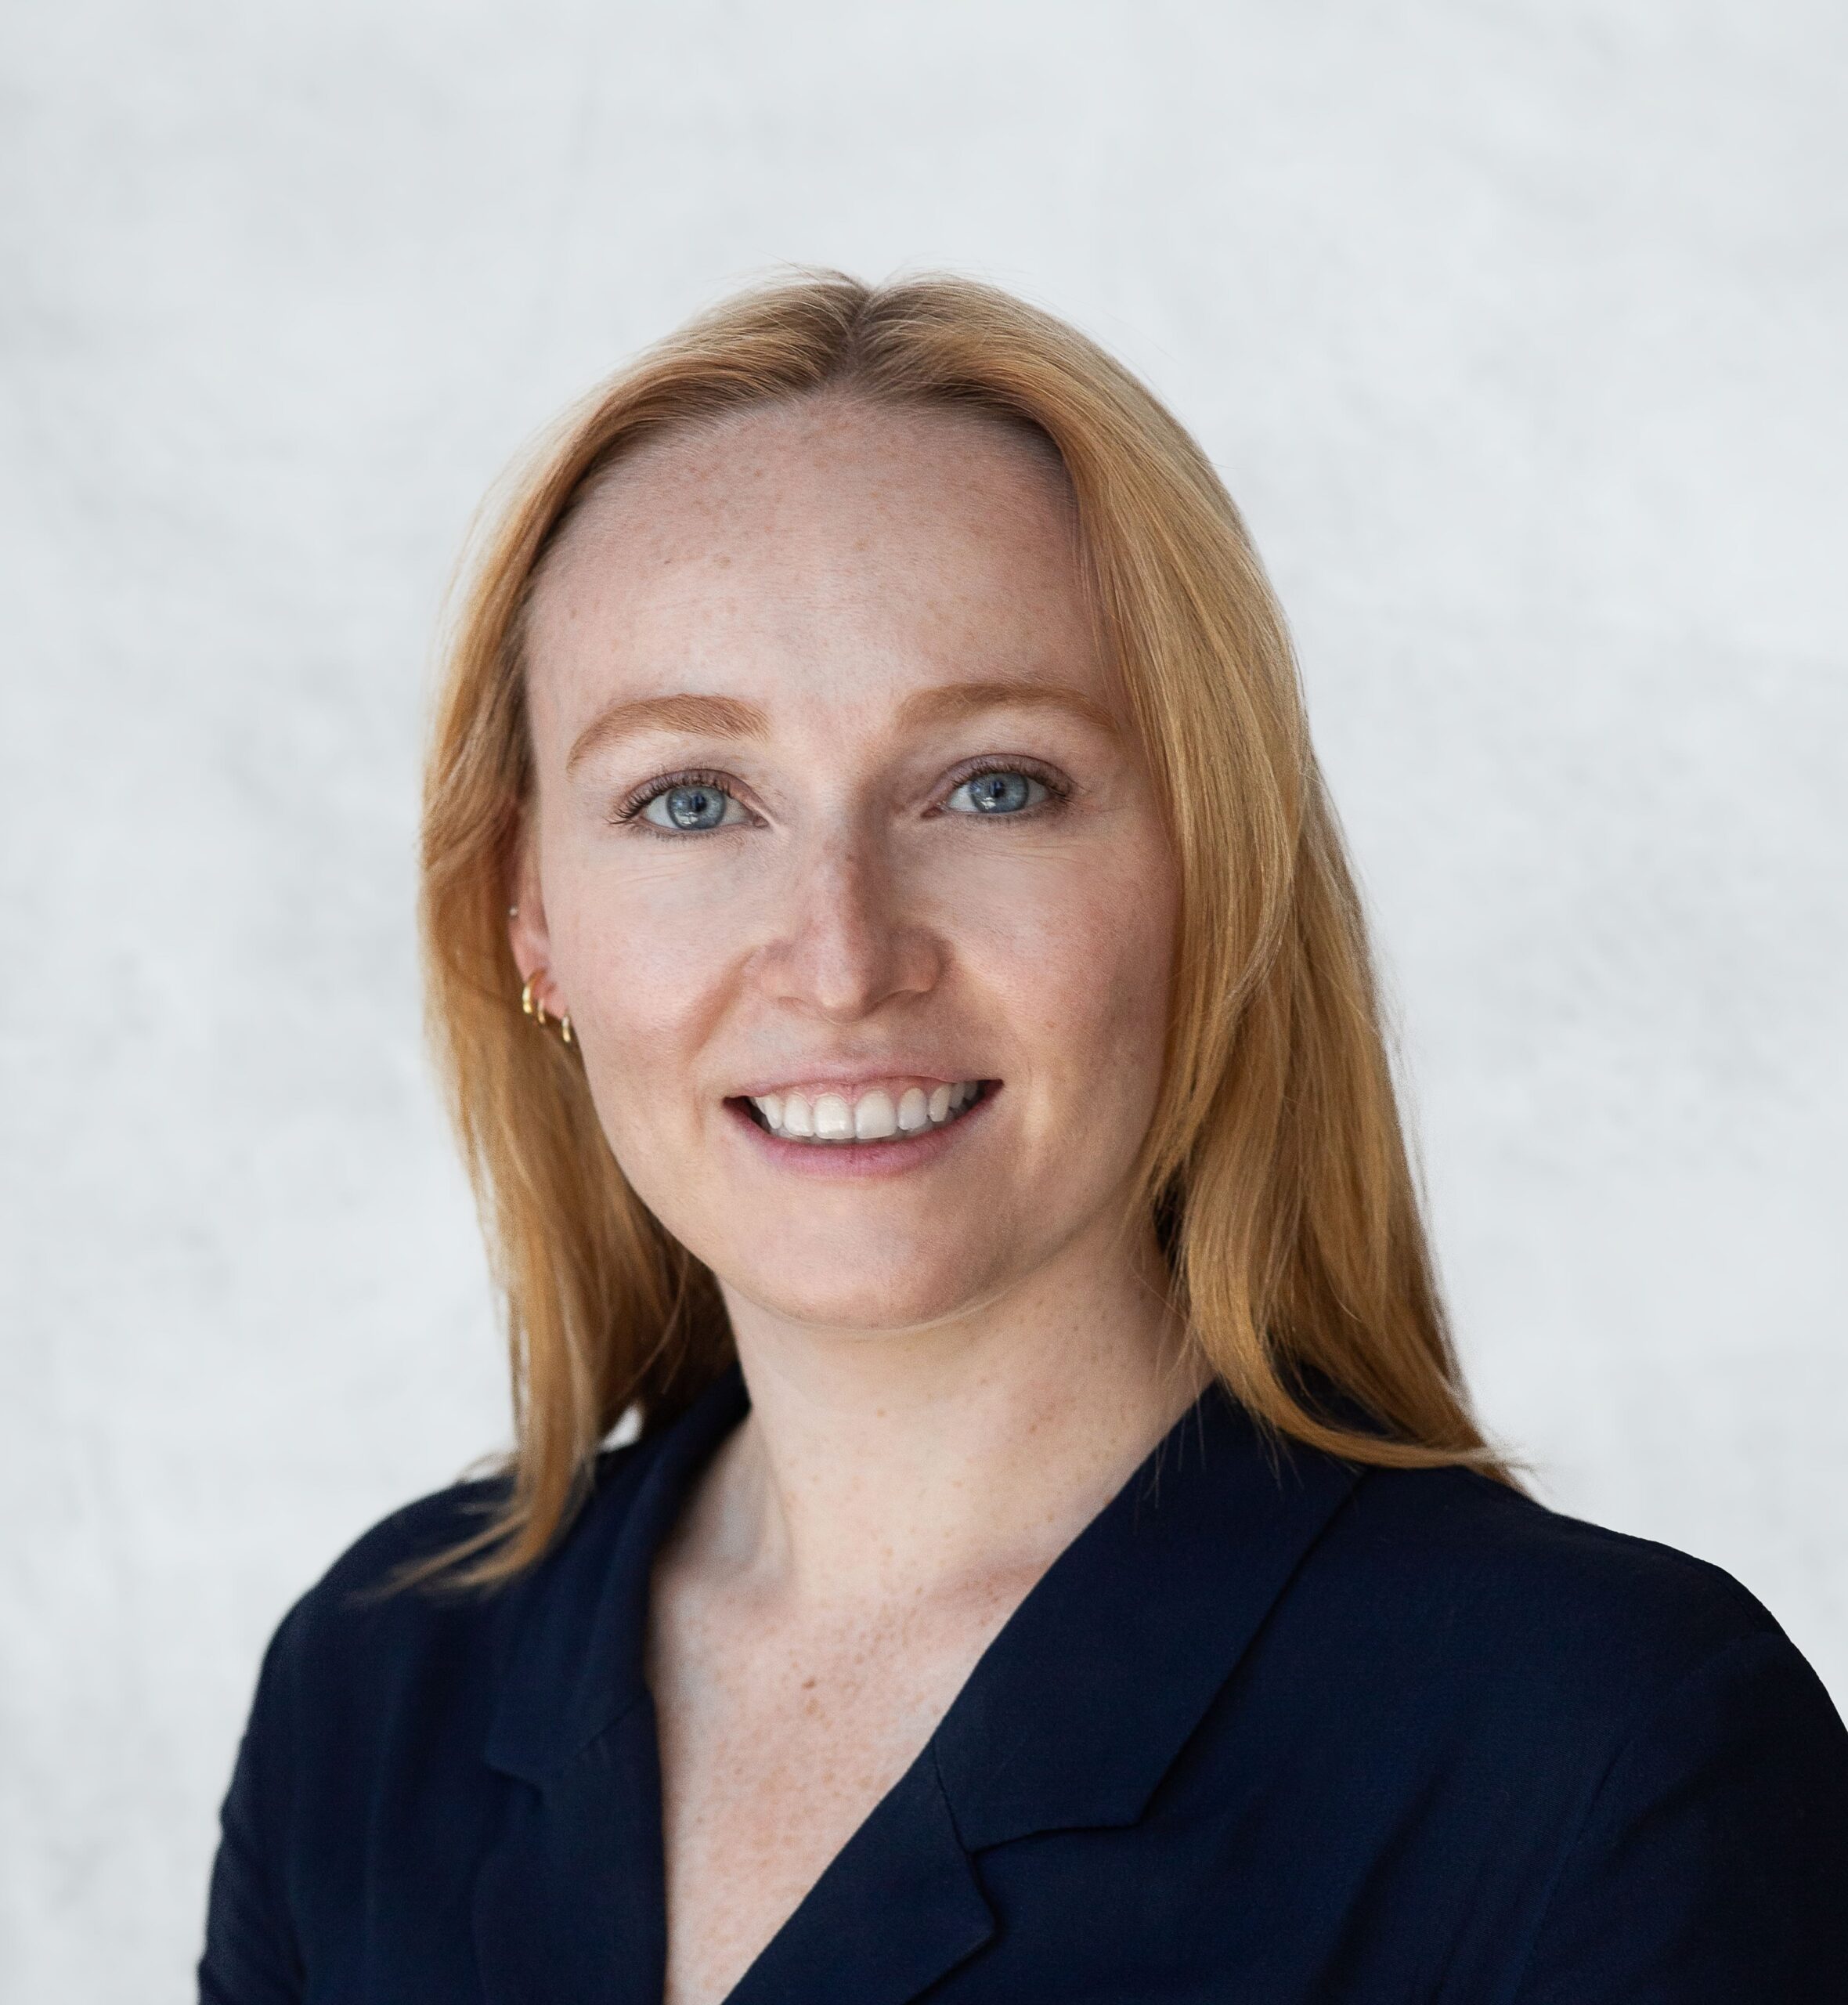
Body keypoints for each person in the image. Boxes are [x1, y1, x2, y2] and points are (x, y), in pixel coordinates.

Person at [197, 269, 1848, 2005]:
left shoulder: (1606, 1750)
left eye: (992, 784)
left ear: (1208, 872)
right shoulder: (382, 1683)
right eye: (691, 799)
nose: (841, 954)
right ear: (527, 915)